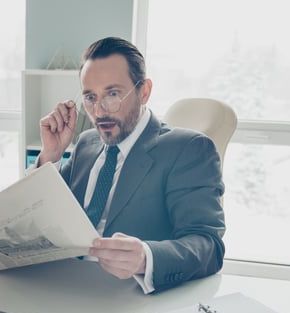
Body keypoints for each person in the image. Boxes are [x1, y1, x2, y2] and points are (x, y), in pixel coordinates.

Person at [35, 37, 225, 294]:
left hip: (125, 298)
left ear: (144, 91)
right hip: (61, 286)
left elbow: (208, 245)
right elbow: (42, 217)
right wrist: (50, 156)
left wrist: (146, 257)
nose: (100, 111)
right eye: (90, 97)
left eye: (113, 94)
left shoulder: (188, 149)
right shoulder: (86, 143)